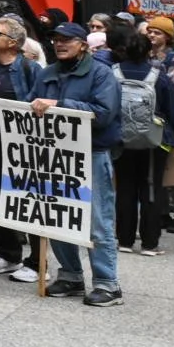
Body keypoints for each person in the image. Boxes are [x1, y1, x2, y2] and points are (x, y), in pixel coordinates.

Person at [35, 21, 124, 305]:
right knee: (57, 215)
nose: (59, 44)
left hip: (92, 153)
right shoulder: (47, 73)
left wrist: (59, 105)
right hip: (55, 155)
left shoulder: (101, 74)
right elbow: (30, 105)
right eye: (56, 39)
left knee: (98, 221)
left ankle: (108, 284)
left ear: (83, 45)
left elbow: (104, 113)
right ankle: (71, 276)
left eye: (67, 40)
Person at [110, 21, 174, 256]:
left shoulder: (113, 74)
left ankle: (124, 240)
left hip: (122, 138)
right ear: (147, 51)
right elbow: (173, 111)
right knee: (151, 188)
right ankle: (150, 243)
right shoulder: (158, 76)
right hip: (155, 140)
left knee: (125, 187)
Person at [0, 17, 41, 282]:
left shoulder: (30, 69)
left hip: (20, 147)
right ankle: (9, 254)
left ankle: (37, 261)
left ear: (12, 43)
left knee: (26, 202)